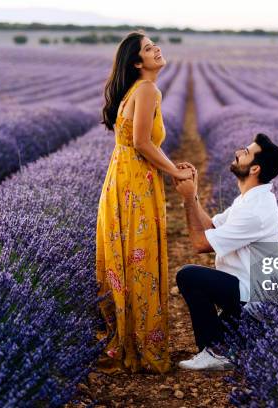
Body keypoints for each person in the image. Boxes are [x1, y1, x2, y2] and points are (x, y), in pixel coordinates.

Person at [95, 30, 194, 374]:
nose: (157, 50)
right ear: (137, 62)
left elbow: (142, 143)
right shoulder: (148, 89)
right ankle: (140, 350)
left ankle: (124, 343)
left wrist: (170, 165)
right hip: (135, 185)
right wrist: (174, 174)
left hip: (121, 181)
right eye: (149, 49)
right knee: (141, 263)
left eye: (155, 45)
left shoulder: (134, 91)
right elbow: (141, 142)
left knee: (123, 261)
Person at [173, 133, 278, 370]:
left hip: (255, 304)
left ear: (254, 169)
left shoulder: (255, 210)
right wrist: (192, 194)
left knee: (189, 276)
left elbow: (200, 244)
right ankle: (236, 344)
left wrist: (188, 201)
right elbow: (212, 227)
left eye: (245, 152)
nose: (238, 152)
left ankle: (216, 352)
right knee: (240, 342)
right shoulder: (249, 200)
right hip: (245, 293)